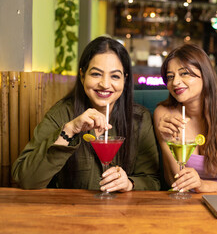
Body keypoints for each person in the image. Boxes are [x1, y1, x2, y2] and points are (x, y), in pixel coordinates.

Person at [12, 36, 160, 192]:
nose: (105, 84)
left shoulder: (139, 118)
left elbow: (152, 181)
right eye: (96, 74)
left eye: (115, 76)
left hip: (121, 213)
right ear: (82, 76)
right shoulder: (62, 113)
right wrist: (69, 130)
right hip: (71, 211)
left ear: (125, 79)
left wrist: (129, 183)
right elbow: (26, 179)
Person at [154, 44, 217, 193]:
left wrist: (203, 186)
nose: (175, 82)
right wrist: (165, 141)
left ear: (205, 74)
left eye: (184, 73)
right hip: (187, 202)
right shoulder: (164, 114)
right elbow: (174, 182)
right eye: (170, 76)